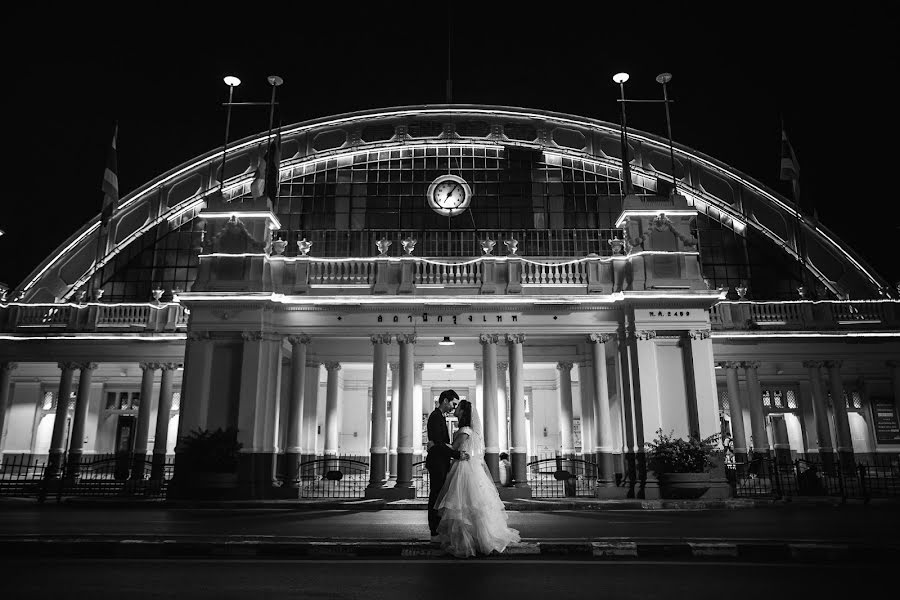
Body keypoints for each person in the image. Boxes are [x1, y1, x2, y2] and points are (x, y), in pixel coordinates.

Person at [435, 399, 521, 557]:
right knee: (470, 506)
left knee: (462, 505)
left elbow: (454, 448)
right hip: (468, 466)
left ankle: (468, 539)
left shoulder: (464, 430)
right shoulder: (467, 429)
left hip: (462, 467)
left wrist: (435, 444)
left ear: (463, 412)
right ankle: (475, 537)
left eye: (458, 407)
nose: (456, 408)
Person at [426, 389, 469, 538]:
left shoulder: (440, 417)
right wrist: (457, 454)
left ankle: (437, 525)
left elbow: (439, 443)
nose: (453, 407)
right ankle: (434, 527)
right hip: (437, 462)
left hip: (441, 461)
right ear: (445, 400)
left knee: (439, 495)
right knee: (436, 494)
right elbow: (439, 443)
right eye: (453, 403)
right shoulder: (435, 417)